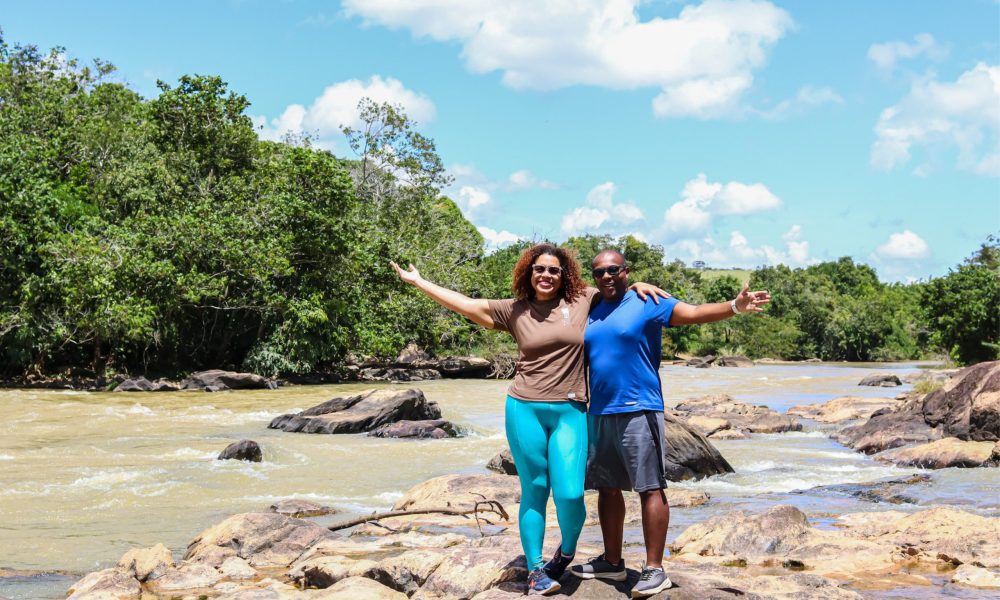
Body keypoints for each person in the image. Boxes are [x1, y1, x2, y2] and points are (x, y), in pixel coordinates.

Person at [391, 243, 668, 596]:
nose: (547, 275)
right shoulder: (514, 311)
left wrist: (640, 284)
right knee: (535, 490)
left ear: (564, 275)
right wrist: (419, 282)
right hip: (524, 409)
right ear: (528, 272)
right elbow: (465, 304)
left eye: (554, 270)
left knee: (570, 494)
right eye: (540, 269)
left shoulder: (583, 300)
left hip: (571, 411)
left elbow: (614, 284)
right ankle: (536, 569)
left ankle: (565, 553)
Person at [571, 250, 770, 598]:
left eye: (613, 270)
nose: (605, 276)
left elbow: (693, 313)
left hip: (639, 407)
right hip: (600, 411)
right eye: (599, 272)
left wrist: (735, 306)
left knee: (649, 486)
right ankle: (613, 562)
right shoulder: (593, 308)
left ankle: (655, 568)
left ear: (625, 271)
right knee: (607, 486)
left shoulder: (647, 301)